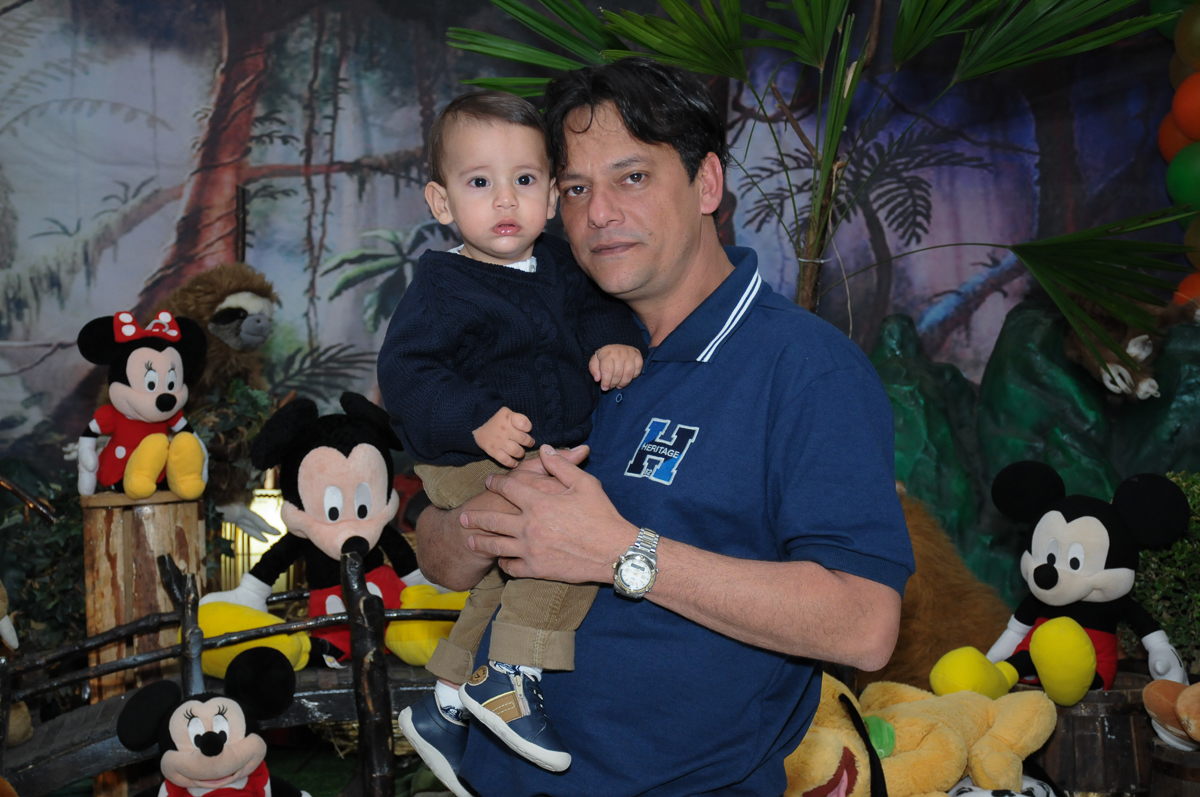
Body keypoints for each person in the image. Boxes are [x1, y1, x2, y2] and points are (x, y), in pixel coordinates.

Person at [407, 57, 916, 796]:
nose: (599, 213)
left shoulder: (806, 368)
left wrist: (620, 551)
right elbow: (437, 551)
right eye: (575, 188)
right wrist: (480, 525)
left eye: (633, 177)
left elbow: (865, 625)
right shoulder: (538, 333)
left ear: (707, 184)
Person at [377, 91, 646, 783]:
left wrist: (614, 343)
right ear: (441, 202)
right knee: (562, 542)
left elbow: (599, 312)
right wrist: (474, 416)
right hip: (467, 455)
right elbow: (406, 373)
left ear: (552, 195)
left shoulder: (560, 264)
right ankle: (509, 673)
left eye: (524, 180)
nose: (505, 200)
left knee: (505, 573)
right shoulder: (442, 286)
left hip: (539, 450)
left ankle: (446, 698)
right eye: (479, 182)